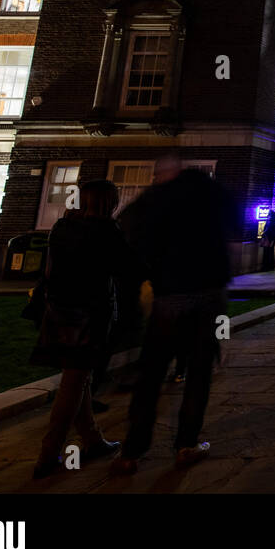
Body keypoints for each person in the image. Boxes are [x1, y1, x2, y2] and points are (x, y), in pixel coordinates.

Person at [112, 157, 238, 473]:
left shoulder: (155, 198)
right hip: (209, 290)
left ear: (162, 175)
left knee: (151, 371)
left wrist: (151, 266)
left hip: (169, 293)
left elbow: (127, 229)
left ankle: (131, 451)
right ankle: (186, 444)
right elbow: (237, 222)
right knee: (199, 371)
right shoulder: (210, 193)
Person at [30, 179, 134, 479]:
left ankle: (92, 439)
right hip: (89, 313)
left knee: (79, 376)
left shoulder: (62, 228)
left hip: (58, 311)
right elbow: (127, 268)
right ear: (106, 202)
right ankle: (49, 452)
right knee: (74, 381)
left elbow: (49, 270)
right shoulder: (106, 231)